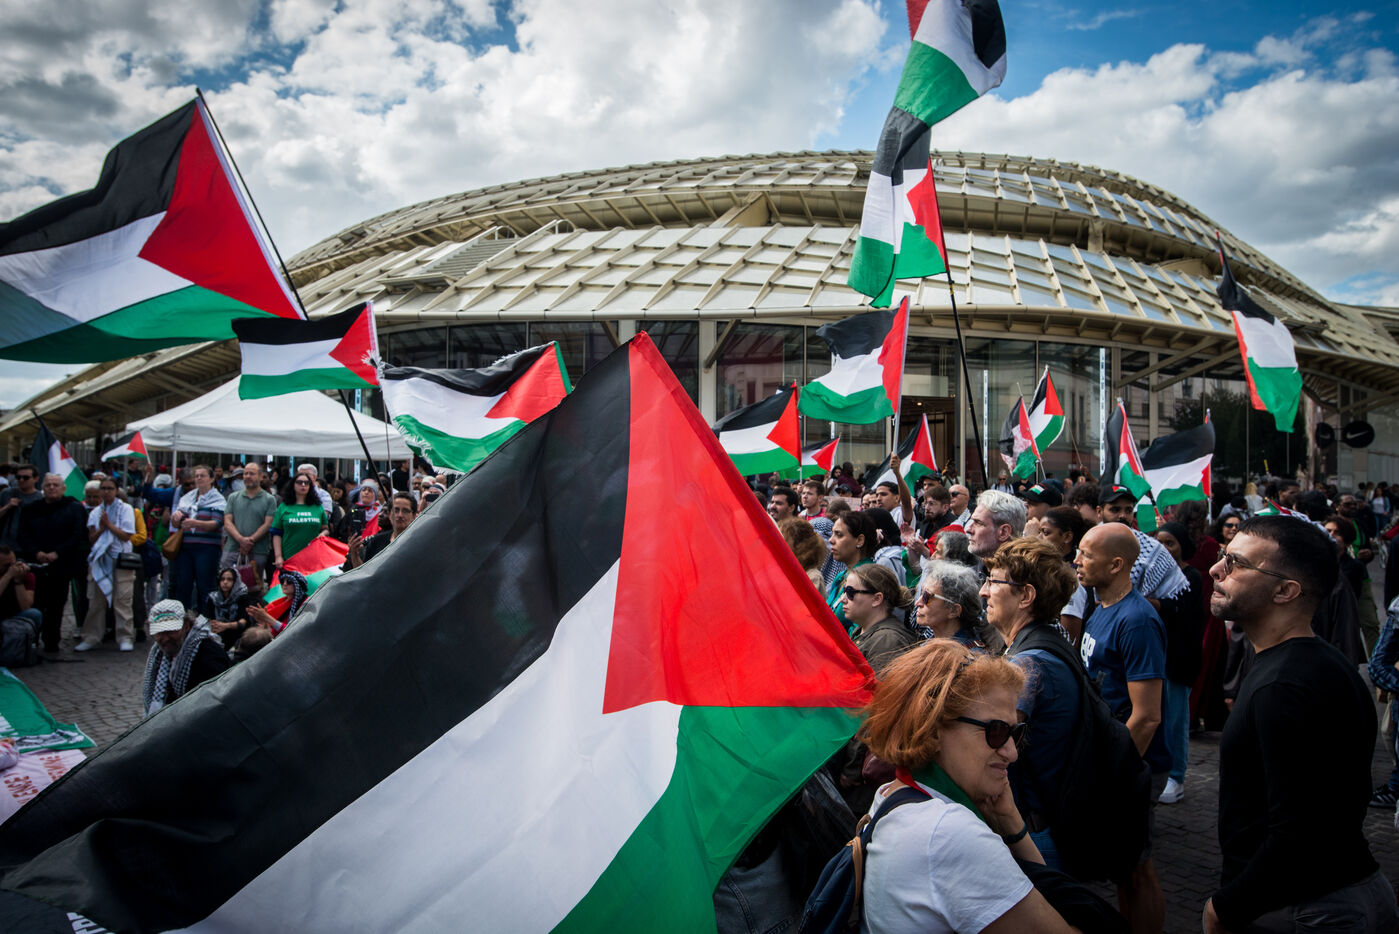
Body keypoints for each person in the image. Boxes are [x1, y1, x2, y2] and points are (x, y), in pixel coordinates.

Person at [1204, 516, 1395, 934]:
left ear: (1286, 591)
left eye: (1235, 563)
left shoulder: (1284, 687)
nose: (1217, 570)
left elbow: (1299, 832)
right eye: (1223, 555)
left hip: (1306, 909)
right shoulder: (1315, 664)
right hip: (1329, 895)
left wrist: (1225, 907)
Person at [857, 640, 1077, 932]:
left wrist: (1009, 819)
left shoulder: (892, 794)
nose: (1012, 752)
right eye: (996, 731)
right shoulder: (948, 833)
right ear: (933, 729)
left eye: (1016, 733)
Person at [1076, 522, 1168, 934]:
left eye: (1086, 554)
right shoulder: (1101, 608)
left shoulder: (1137, 620)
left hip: (1132, 763)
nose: (1077, 561)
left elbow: (1147, 715)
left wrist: (1113, 771)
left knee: (1137, 870)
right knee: (1123, 869)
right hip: (1111, 756)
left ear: (1116, 565)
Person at [983, 538, 1081, 871]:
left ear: (1025, 596)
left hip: (1033, 829)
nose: (983, 591)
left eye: (993, 582)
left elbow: (986, 743)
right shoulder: (1044, 643)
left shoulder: (1028, 664)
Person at [1151, 522, 1205, 806]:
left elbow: (1182, 612)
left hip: (1178, 659)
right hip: (1157, 656)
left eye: (1170, 542)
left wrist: (1157, 604)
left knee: (1175, 719)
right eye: (1160, 542)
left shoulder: (1191, 576)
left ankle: (1176, 776)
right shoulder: (1153, 574)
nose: (1164, 548)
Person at [17, 473, 89, 653]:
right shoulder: (31, 509)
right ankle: (32, 639)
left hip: (62, 564)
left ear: (63, 488)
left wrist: (57, 553)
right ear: (42, 488)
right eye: (48, 485)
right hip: (36, 563)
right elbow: (23, 534)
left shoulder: (73, 508)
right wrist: (36, 552)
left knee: (56, 604)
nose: (51, 488)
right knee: (36, 602)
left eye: (55, 485)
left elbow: (78, 533)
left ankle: (52, 641)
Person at [77, 477, 138, 653]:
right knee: (96, 602)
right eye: (103, 488)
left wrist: (109, 525)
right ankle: (91, 637)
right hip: (100, 559)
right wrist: (102, 529)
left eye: (110, 488)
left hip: (120, 559)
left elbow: (126, 535)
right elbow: (92, 538)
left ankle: (125, 637)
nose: (106, 492)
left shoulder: (125, 509)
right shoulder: (96, 512)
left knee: (122, 600)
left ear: (116, 490)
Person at [141, 599, 231, 717]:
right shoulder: (158, 656)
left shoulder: (208, 655)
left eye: (170, 631)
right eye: (159, 633)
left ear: (187, 626)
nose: (165, 638)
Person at [167, 465, 227, 615]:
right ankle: (183, 619)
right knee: (183, 585)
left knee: (205, 586)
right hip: (185, 548)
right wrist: (176, 518)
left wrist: (196, 523)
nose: (199, 478)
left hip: (207, 549)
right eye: (197, 476)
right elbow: (176, 524)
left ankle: (206, 618)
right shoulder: (187, 498)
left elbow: (217, 523)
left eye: (202, 475)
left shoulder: (218, 499)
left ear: (211, 479)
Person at [842, 564, 919, 676]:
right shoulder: (865, 629)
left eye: (850, 592)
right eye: (844, 591)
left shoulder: (887, 641)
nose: (843, 599)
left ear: (877, 599)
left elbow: (881, 686)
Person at [1033, 505, 1091, 642]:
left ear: (1067, 536)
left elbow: (1069, 640)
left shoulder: (1072, 579)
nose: (1038, 538)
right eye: (1039, 532)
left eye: (1045, 533)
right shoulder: (1050, 570)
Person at [221, 461, 277, 579]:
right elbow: (227, 522)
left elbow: (268, 524)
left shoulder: (269, 499)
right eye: (245, 474)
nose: (247, 476)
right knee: (228, 583)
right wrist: (241, 540)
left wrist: (250, 541)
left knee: (253, 586)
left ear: (260, 476)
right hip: (232, 548)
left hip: (258, 550)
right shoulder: (233, 497)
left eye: (252, 473)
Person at [825, 512, 878, 634]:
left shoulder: (867, 578)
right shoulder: (841, 576)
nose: (831, 540)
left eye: (839, 535)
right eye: (832, 534)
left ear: (859, 540)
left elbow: (859, 630)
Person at [916, 559, 986, 647]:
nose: (918, 603)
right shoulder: (931, 644)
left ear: (954, 610)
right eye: (921, 593)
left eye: (927, 596)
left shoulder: (969, 654)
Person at [272, 472, 329, 570]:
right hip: (289, 558)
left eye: (306, 483)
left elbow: (326, 529)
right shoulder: (283, 507)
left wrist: (323, 534)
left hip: (314, 558)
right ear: (293, 485)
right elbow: (276, 534)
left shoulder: (317, 507)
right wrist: (278, 556)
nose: (303, 485)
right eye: (299, 482)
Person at [347, 492, 416, 568]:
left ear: (413, 516)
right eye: (396, 510)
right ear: (389, 514)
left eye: (405, 511)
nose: (400, 515)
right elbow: (364, 572)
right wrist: (355, 555)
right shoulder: (377, 541)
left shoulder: (418, 543)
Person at [965, 489, 1027, 562]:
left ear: (1004, 532)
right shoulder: (979, 566)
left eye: (978, 523)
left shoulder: (1025, 568)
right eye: (972, 521)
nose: (968, 530)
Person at [203, 567, 255, 651]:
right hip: (216, 634)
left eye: (229, 579)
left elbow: (243, 622)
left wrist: (224, 626)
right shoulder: (213, 598)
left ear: (235, 582)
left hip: (237, 636)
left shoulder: (242, 597)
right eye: (222, 579)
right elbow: (207, 619)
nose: (225, 582)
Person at [778, 516, 827, 591]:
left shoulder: (813, 577)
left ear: (799, 544)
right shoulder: (785, 571)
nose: (778, 544)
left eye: (783, 540)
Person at [0, 545, 40, 635]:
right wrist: (7, 577)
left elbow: (26, 608)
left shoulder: (24, 575)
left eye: (13, 563)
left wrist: (19, 581)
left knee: (34, 614)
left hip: (12, 616)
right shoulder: (9, 574)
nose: (12, 568)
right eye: (7, 565)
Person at [0, 465, 41, 548]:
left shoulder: (40, 498)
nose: (21, 480)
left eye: (26, 478)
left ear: (36, 479)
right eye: (18, 477)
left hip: (30, 545)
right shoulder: (6, 493)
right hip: (6, 544)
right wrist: (7, 506)